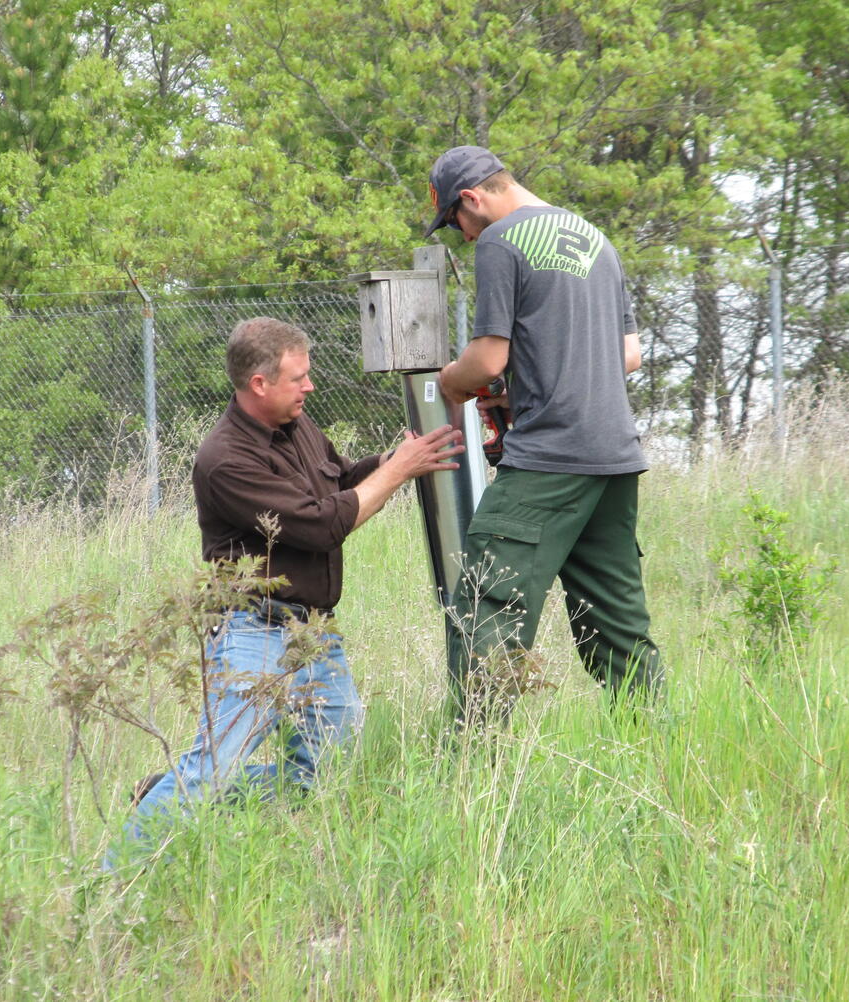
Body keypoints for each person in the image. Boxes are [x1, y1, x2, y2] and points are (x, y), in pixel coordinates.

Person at [109, 316, 462, 863]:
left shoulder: (297, 426)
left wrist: (396, 459)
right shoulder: (225, 459)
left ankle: (161, 794)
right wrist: (398, 474)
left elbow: (341, 482)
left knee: (327, 767)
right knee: (215, 769)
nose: (310, 386)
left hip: (314, 634)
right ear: (259, 384)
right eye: (299, 377)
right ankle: (109, 889)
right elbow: (324, 524)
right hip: (254, 633)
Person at [423, 145, 663, 725]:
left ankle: (471, 769)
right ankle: (656, 750)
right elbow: (627, 355)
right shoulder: (595, 239)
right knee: (618, 630)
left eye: (455, 223)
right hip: (613, 461)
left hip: (549, 461)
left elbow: (484, 362)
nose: (462, 236)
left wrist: (451, 384)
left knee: (485, 606)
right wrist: (533, 378)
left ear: (471, 199)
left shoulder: (502, 243)